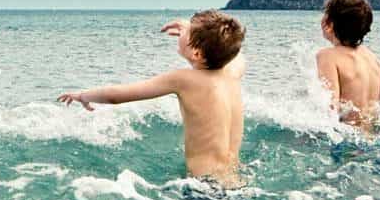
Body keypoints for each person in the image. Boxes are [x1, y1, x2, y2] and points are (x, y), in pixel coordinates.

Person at [58, 10, 246, 186]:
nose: (182, 31)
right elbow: (235, 53)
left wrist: (83, 95)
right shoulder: (233, 71)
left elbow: (116, 96)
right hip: (235, 182)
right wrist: (194, 32)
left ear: (196, 53)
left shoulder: (183, 79)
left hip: (204, 186)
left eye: (185, 32)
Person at [316, 0, 380, 131]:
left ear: (328, 23)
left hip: (347, 144)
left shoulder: (327, 56)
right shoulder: (372, 58)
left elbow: (331, 108)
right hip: (374, 140)